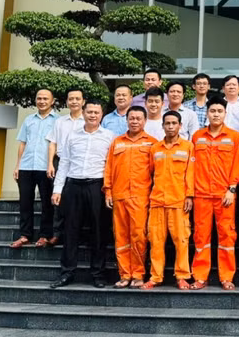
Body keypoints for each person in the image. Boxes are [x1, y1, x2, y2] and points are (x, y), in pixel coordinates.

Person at [50, 100, 114, 288]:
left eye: (96, 112)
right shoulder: (72, 136)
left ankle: (98, 274)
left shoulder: (109, 137)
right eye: (90, 112)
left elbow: (111, 166)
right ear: (84, 113)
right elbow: (64, 163)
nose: (93, 115)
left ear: (102, 115)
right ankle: (67, 272)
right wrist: (57, 189)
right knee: (71, 230)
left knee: (99, 231)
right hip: (73, 186)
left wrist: (109, 190)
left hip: (97, 186)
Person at [190, 96, 239, 291]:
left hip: (224, 196)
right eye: (212, 111)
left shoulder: (235, 137)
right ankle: (200, 277)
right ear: (207, 113)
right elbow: (191, 166)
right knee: (200, 237)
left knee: (227, 237)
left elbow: (238, 165)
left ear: (225, 113)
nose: (216, 114)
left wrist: (232, 189)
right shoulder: (197, 137)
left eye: (220, 111)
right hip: (201, 194)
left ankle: (226, 277)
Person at [103, 105, 156, 289]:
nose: (134, 121)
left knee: (139, 236)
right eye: (131, 118)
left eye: (138, 118)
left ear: (145, 121)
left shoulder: (152, 143)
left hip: (141, 197)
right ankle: (124, 274)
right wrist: (108, 191)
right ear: (126, 120)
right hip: (119, 196)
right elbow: (109, 168)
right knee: (121, 236)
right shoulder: (117, 142)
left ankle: (138, 274)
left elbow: (156, 172)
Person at [142, 111, 195, 290]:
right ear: (163, 126)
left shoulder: (188, 147)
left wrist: (189, 195)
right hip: (157, 201)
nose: (171, 126)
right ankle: (156, 277)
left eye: (174, 123)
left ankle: (182, 276)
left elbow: (191, 173)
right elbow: (150, 173)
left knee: (181, 240)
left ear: (180, 126)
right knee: (156, 241)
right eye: (167, 123)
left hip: (178, 201)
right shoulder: (155, 148)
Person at [11, 89, 58, 249]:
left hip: (46, 167)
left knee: (47, 203)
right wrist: (18, 165)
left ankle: (45, 235)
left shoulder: (58, 121)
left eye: (45, 98)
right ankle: (25, 235)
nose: (42, 101)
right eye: (39, 98)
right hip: (26, 166)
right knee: (25, 202)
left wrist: (52, 164)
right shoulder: (29, 120)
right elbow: (23, 143)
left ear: (52, 101)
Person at [45, 87, 85, 247]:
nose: (74, 102)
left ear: (83, 101)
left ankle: (77, 234)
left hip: (80, 164)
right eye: (71, 99)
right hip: (60, 162)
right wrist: (50, 163)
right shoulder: (60, 122)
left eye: (77, 99)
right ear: (67, 102)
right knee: (58, 198)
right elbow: (52, 143)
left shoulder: (88, 120)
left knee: (78, 199)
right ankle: (57, 233)